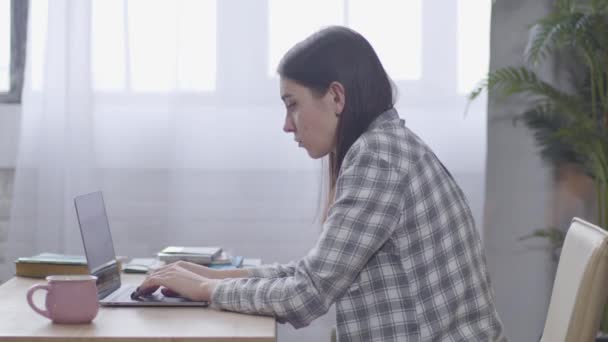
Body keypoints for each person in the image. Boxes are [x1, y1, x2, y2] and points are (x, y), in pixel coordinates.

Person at [136, 26, 506, 341]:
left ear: (336, 97)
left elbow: (307, 295)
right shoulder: (386, 144)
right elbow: (313, 273)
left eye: (292, 103)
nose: (286, 124)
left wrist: (207, 290)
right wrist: (216, 276)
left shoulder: (376, 158)